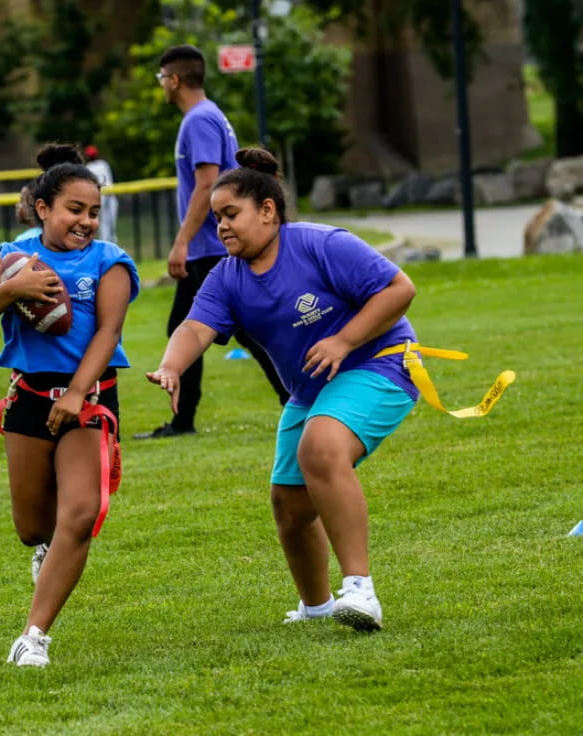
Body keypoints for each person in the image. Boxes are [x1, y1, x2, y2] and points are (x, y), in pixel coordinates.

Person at [145, 147, 421, 632]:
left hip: (382, 364)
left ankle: (361, 591)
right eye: (216, 218)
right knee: (289, 504)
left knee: (321, 446)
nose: (222, 226)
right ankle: (315, 608)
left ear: (267, 211)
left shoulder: (322, 244)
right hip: (314, 390)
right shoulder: (226, 276)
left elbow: (399, 289)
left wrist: (343, 340)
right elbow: (194, 329)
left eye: (231, 214)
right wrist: (171, 367)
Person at [0, 143, 139, 667]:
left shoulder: (110, 262)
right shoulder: (13, 254)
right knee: (33, 528)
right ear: (43, 208)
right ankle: (46, 547)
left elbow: (108, 332)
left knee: (79, 516)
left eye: (92, 212)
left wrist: (80, 393)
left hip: (89, 397)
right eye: (74, 210)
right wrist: (15, 286)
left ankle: (33, 637)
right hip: (30, 397)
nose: (85, 221)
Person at [135, 44, 289, 440]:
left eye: (161, 79)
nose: (162, 86)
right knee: (242, 327)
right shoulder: (209, 114)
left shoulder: (199, 120)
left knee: (186, 327)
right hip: (213, 245)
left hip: (207, 246)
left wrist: (181, 242)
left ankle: (183, 421)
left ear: (173, 79)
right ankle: (291, 395)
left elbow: (207, 183)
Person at [83, 145, 118, 243]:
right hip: (100, 196)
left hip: (109, 195)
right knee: (104, 223)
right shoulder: (91, 167)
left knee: (110, 223)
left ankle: (112, 244)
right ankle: (106, 243)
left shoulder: (101, 164)